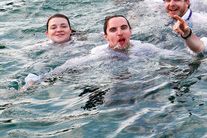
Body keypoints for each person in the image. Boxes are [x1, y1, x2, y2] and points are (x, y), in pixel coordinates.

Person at [23, 15, 178, 90]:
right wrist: (37, 80)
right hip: (109, 86)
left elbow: (173, 56)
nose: (119, 33)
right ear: (105, 37)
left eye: (123, 28)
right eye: (113, 30)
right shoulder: (100, 54)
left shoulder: (143, 48)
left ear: (131, 31)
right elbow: (69, 66)